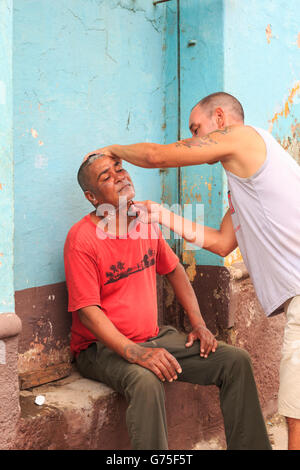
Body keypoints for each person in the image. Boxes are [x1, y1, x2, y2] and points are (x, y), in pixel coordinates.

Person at [89, 91, 300, 450]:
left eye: (195, 129)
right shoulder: (247, 178)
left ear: (220, 119)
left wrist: (115, 149)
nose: (192, 139)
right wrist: (160, 213)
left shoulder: (244, 138)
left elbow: (157, 156)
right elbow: (220, 242)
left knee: (295, 415)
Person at [63, 152, 271, 450]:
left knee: (235, 361)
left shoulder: (145, 222)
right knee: (147, 382)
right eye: (106, 177)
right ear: (92, 197)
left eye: (119, 169)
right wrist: (134, 352)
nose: (119, 176)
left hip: (154, 337)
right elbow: (87, 313)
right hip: (102, 349)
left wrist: (198, 324)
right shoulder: (81, 239)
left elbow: (174, 270)